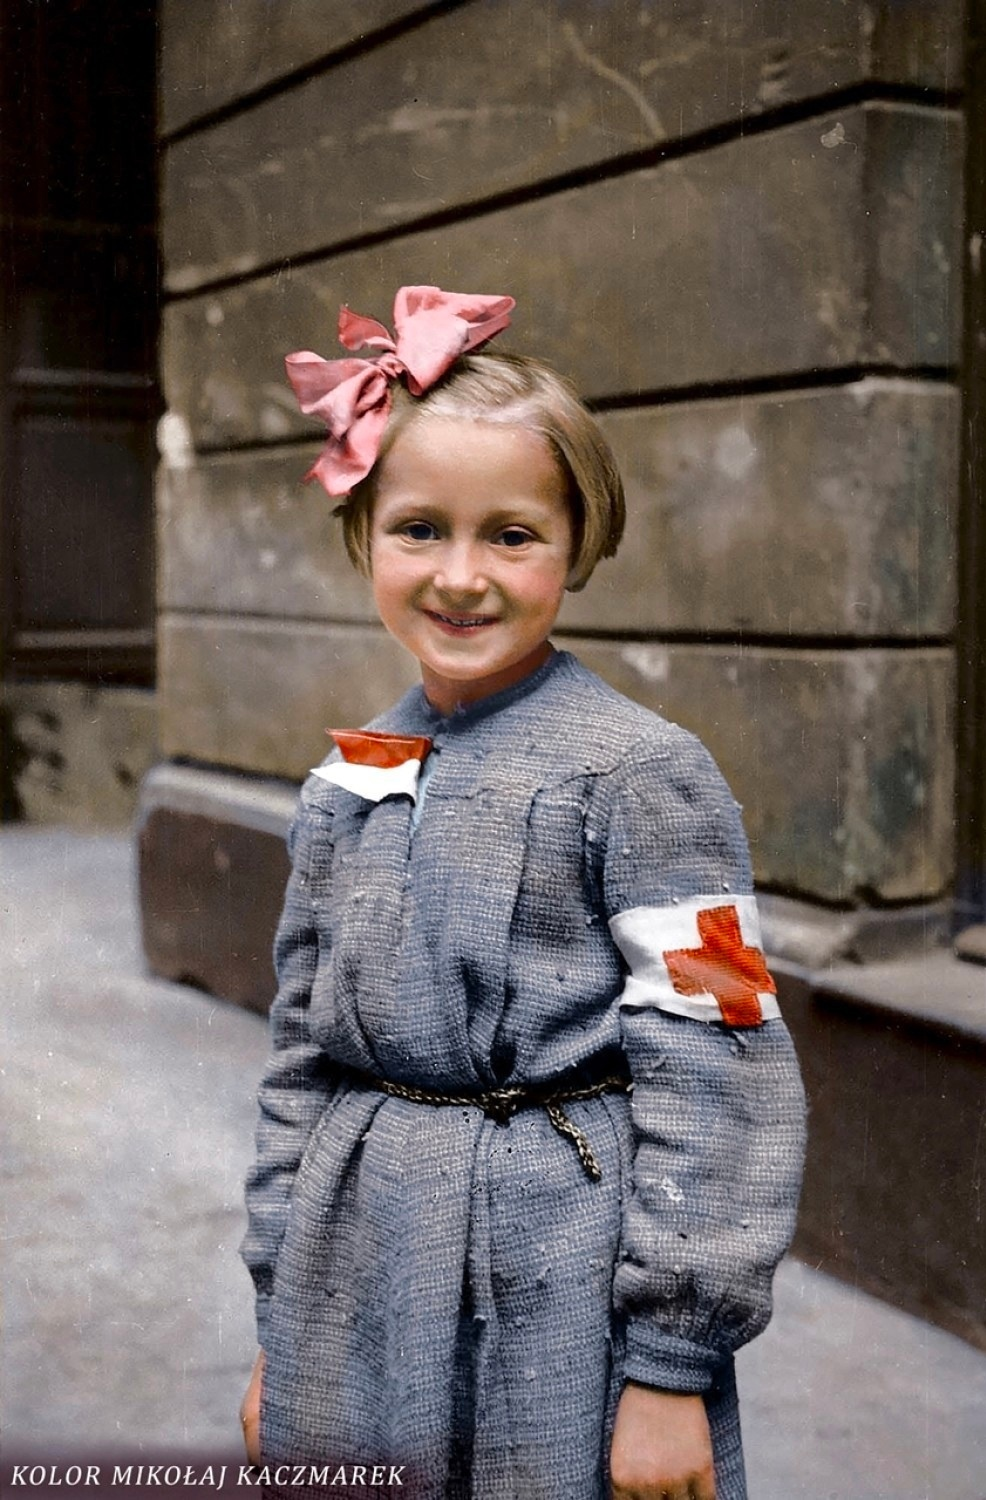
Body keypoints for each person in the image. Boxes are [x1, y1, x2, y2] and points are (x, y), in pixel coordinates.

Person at [239, 285, 806, 1500]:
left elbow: (720, 1062)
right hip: (359, 1277)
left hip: (560, 1287)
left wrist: (670, 1371)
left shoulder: (643, 776)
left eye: (511, 535)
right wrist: (283, 1329)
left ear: (578, 543)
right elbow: (299, 1061)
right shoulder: (352, 778)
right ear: (362, 538)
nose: (462, 577)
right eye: (418, 529)